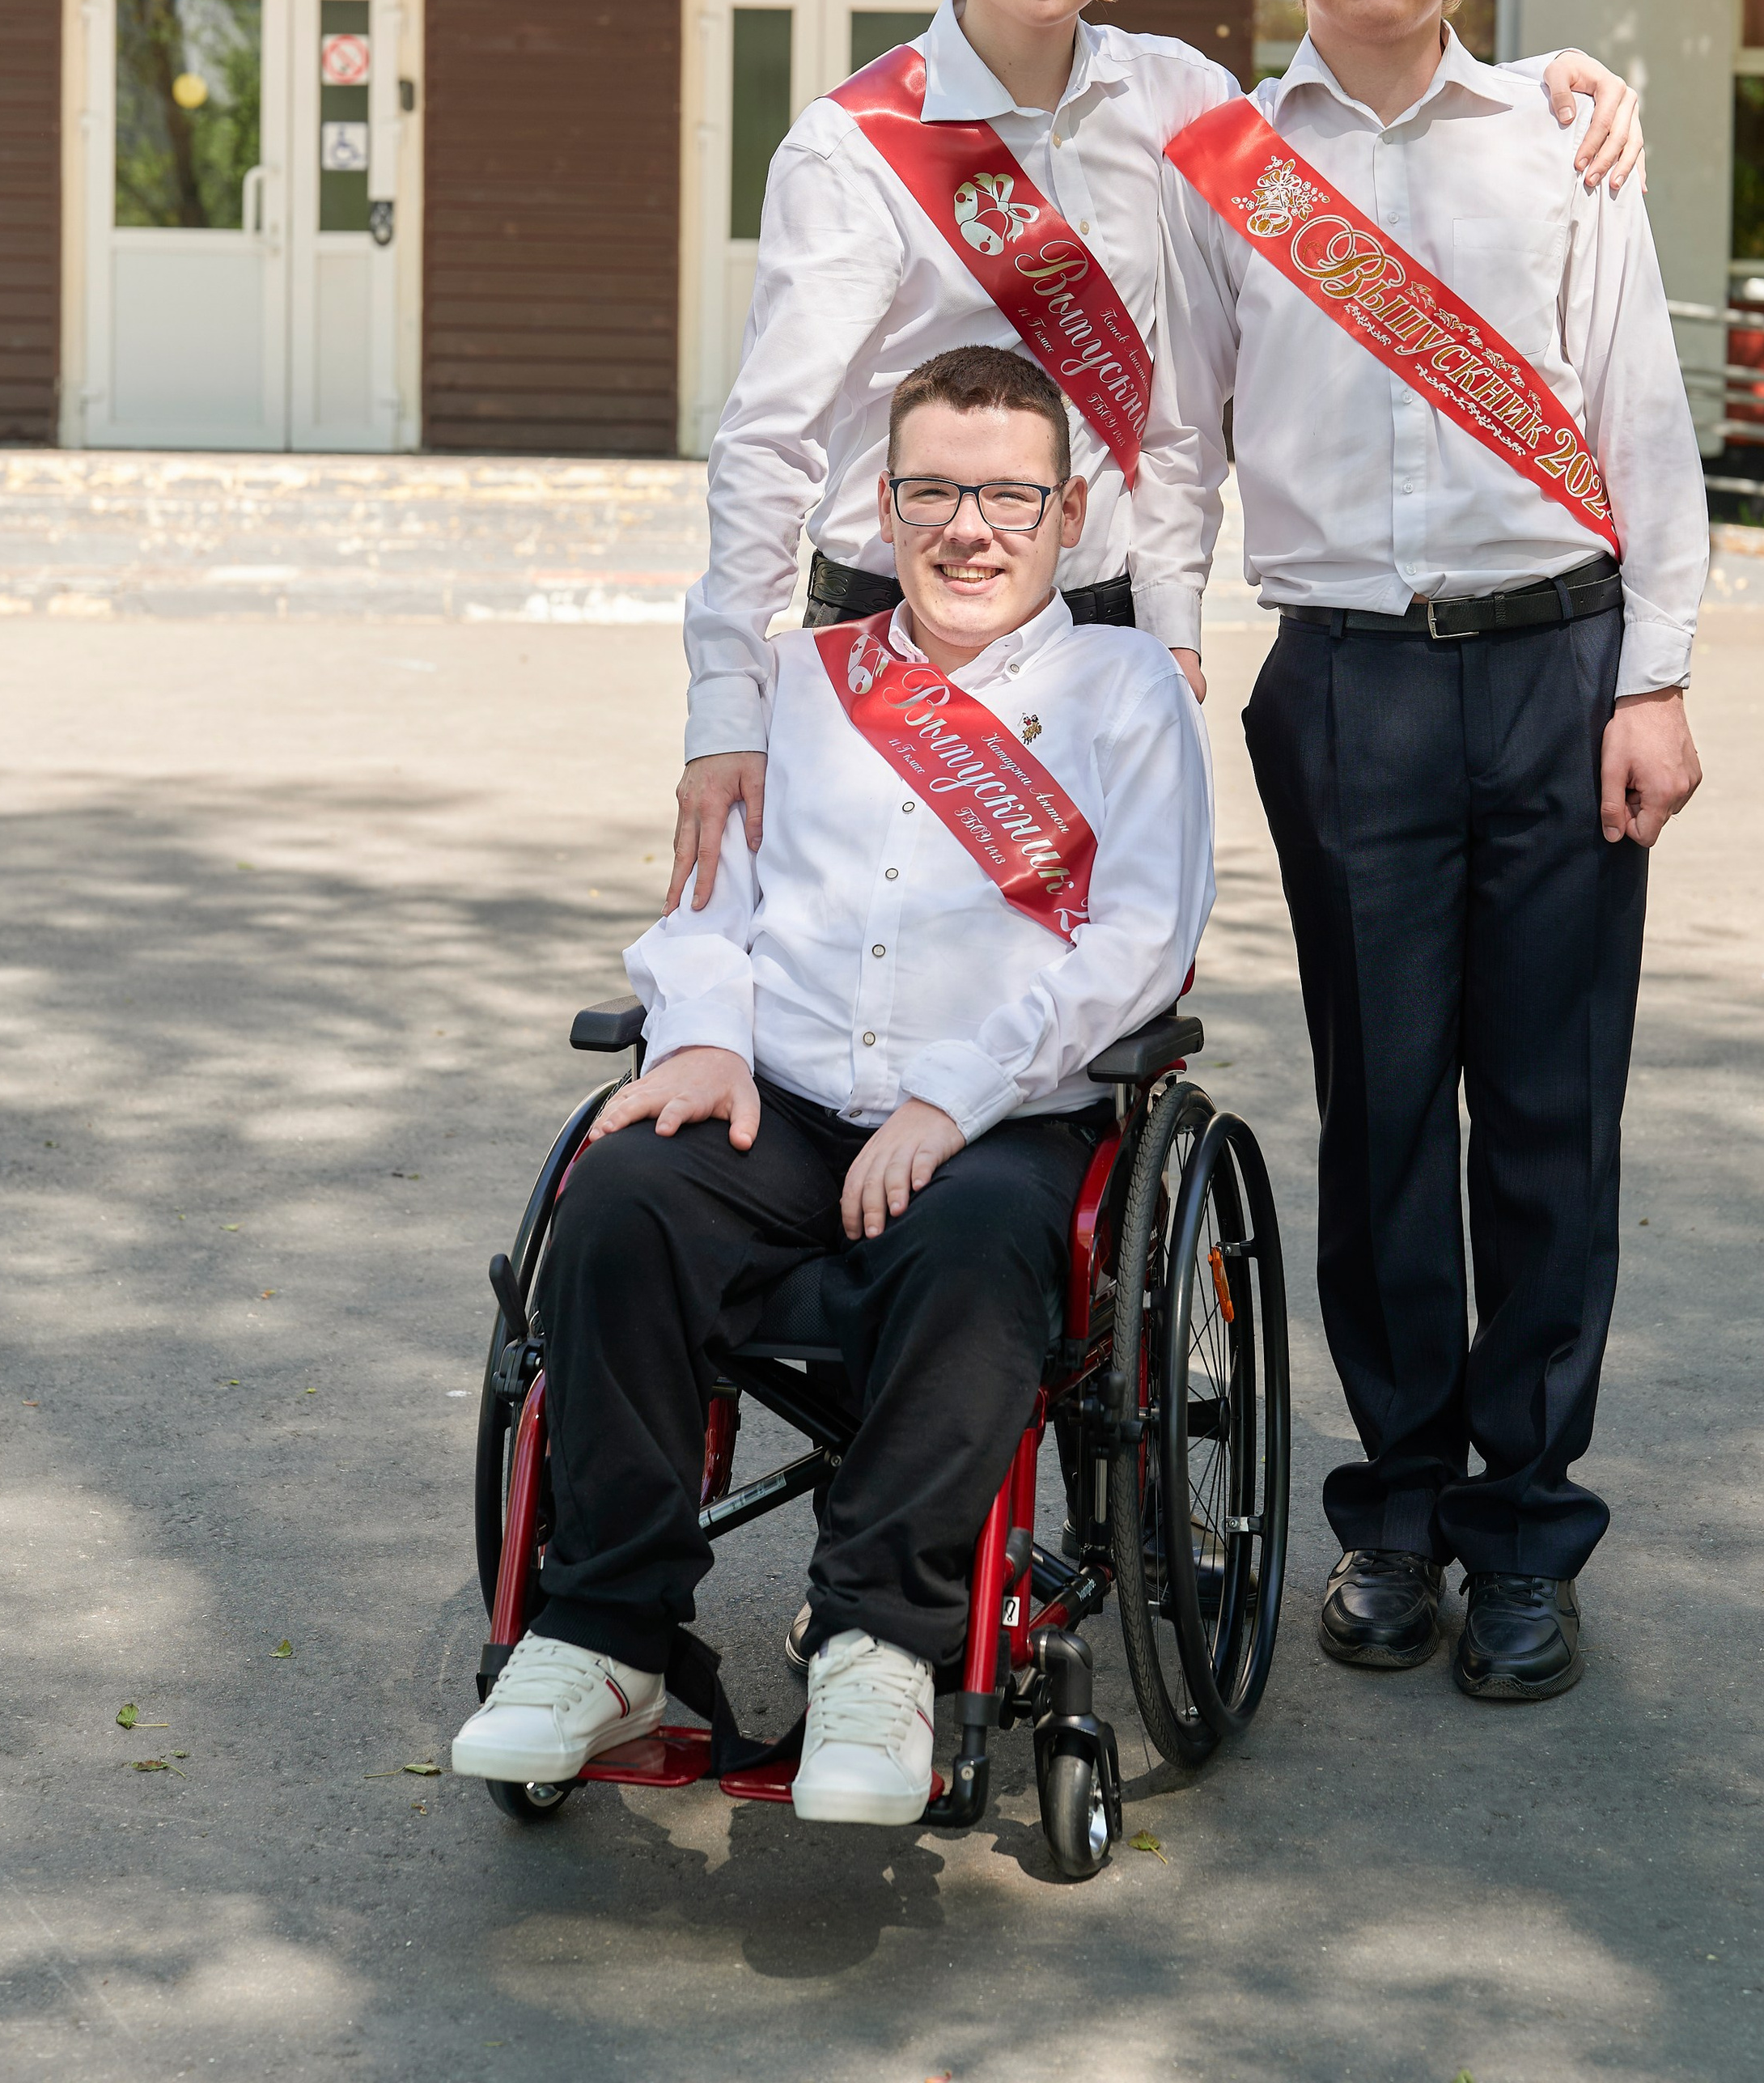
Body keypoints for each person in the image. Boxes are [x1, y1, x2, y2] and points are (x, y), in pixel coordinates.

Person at [668, 0, 1649, 923]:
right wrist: (726, 709)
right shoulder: (853, 149)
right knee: (873, 982)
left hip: (1093, 636)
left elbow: (1356, 115)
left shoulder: (1178, 99)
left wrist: (1542, 85)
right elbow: (766, 443)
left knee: (1076, 1001)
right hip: (896, 627)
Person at [452, 343, 1214, 1824]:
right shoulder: (801, 683)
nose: (968, 527)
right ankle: (606, 1637)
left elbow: (1143, 942)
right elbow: (705, 910)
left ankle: (881, 1640)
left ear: (1068, 516)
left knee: (980, 1244)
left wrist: (953, 1098)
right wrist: (699, 1038)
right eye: (932, 491)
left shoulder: (1128, 691)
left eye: (1006, 494)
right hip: (786, 1103)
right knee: (622, 1198)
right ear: (884, 507)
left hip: (1004, 1112)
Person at [1137, 0, 1707, 1703]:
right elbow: (1174, 435)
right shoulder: (1223, 161)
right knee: (1382, 1116)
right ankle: (1390, 1516)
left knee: (1545, 1120)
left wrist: (1655, 678)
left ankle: (1525, 1530)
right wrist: (1153, 653)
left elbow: (1639, 418)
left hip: (1557, 675)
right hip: (1346, 683)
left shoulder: (1559, 143)